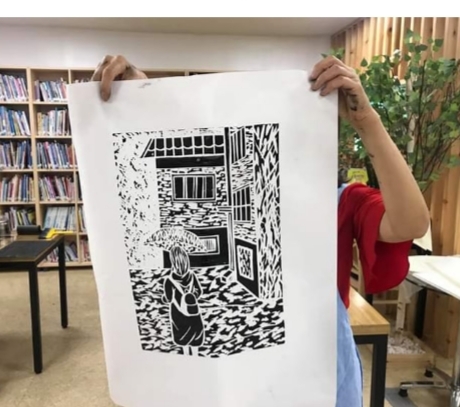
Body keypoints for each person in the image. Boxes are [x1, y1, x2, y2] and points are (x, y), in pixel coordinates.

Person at [90, 55, 430, 406]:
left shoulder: (340, 202)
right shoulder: (223, 207)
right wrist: (140, 103)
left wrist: (366, 121)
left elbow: (411, 223)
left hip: (316, 374)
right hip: (228, 378)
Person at [162, 244, 205, 356]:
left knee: (183, 339)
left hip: (178, 313)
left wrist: (164, 298)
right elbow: (199, 291)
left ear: (173, 262)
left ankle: (187, 358)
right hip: (193, 311)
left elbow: (168, 298)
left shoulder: (169, 280)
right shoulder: (192, 275)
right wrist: (191, 296)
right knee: (195, 339)